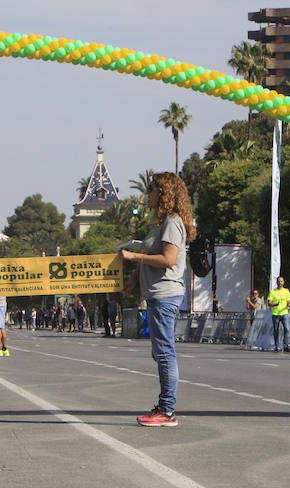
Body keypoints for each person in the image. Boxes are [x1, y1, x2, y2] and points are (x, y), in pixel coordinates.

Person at [120, 172, 195, 428]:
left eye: (151, 189)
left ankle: (167, 410)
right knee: (160, 352)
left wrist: (134, 258)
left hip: (165, 295)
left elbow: (168, 260)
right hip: (155, 295)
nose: (147, 194)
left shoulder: (173, 222)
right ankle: (165, 406)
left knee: (165, 353)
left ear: (164, 193)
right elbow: (152, 255)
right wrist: (133, 278)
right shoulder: (160, 223)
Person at [266, 276, 290, 353]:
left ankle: (285, 346)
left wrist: (289, 304)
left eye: (281, 281)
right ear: (276, 282)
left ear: (283, 282)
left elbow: (288, 300)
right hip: (275, 314)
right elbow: (269, 303)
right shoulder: (273, 292)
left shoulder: (286, 291)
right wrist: (275, 304)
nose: (280, 283)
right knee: (276, 330)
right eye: (279, 281)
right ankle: (277, 346)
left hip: (284, 313)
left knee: (287, 329)